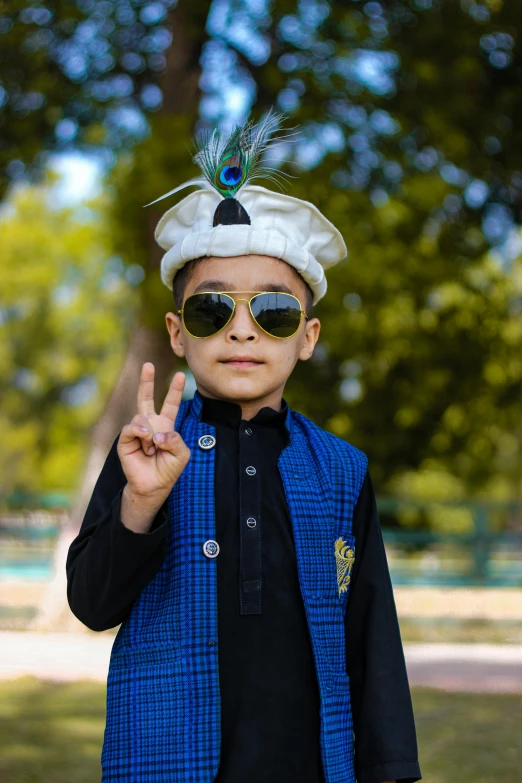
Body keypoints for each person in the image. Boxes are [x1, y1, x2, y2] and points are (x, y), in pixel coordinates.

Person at [66, 110, 422, 783]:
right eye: (212, 309)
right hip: (165, 765)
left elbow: (373, 636)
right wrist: (141, 502)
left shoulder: (343, 470)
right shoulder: (144, 449)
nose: (242, 331)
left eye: (274, 310)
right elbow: (91, 603)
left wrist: (392, 769)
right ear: (178, 332)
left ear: (307, 337)